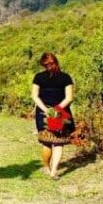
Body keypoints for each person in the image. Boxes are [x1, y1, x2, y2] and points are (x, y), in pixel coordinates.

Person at [31, 52, 75, 180]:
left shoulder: (38, 77)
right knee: (58, 142)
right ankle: (53, 172)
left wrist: (45, 110)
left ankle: (47, 167)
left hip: (42, 113)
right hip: (61, 112)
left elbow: (34, 96)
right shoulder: (66, 77)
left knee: (47, 142)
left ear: (43, 64)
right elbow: (69, 98)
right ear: (56, 61)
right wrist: (57, 110)